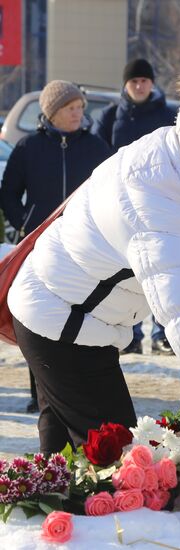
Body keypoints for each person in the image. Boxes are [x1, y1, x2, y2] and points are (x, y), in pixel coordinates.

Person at [7, 56, 180, 455]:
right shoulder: (156, 210)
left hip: (55, 308)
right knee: (121, 460)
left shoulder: (167, 155)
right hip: (59, 321)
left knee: (65, 460)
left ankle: (52, 513)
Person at [0, 80, 110, 414]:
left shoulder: (96, 147)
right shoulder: (29, 147)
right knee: (39, 316)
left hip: (84, 246)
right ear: (52, 113)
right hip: (37, 246)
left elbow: (110, 192)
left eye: (80, 108)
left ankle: (82, 388)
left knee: (83, 316)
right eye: (71, 108)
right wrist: (24, 224)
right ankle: (42, 391)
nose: (79, 114)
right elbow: (8, 192)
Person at [93, 58, 179, 356]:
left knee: (161, 268)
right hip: (119, 205)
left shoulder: (169, 114)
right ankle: (128, 334)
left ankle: (161, 334)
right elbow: (97, 159)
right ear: (125, 85)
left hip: (160, 202)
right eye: (134, 81)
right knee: (123, 273)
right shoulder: (110, 117)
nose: (139, 86)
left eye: (144, 81)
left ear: (152, 84)